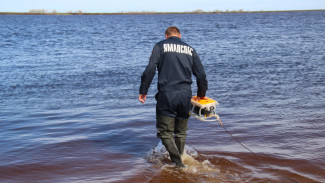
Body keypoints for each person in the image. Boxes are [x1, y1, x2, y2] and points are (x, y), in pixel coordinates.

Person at [139, 26, 208, 168]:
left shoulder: (160, 46)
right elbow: (201, 75)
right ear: (180, 36)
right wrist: (201, 95)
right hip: (185, 96)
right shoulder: (190, 49)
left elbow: (150, 69)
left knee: (165, 133)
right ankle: (181, 156)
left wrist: (143, 90)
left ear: (166, 36)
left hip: (167, 95)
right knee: (181, 132)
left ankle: (179, 164)